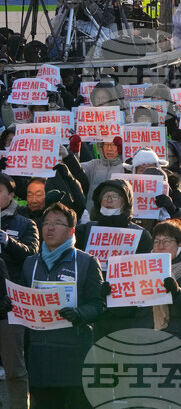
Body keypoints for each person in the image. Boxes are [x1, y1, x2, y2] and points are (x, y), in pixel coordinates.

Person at [22, 203, 104, 408]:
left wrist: (79, 314)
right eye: (47, 223)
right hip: (40, 356)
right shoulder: (30, 263)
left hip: (74, 354)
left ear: (71, 230)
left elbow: (99, 304)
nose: (50, 228)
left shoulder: (86, 262)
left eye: (57, 223)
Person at [136, 219, 181, 407]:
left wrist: (176, 291)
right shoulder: (141, 273)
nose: (160, 246)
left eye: (166, 241)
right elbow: (131, 310)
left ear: (180, 245)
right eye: (157, 241)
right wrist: (113, 293)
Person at [0, 172, 38, 409]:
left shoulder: (25, 223)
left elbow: (32, 255)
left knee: (14, 367)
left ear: (12, 195)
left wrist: (7, 242)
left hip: (9, 304)